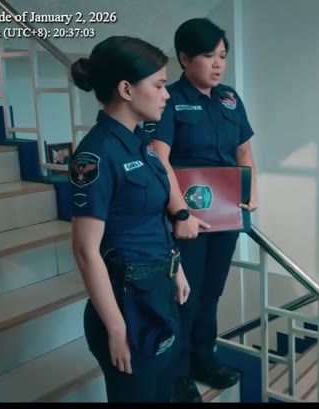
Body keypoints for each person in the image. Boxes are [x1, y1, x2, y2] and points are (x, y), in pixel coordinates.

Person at [69, 35, 190, 403]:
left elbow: (153, 215)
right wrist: (116, 328)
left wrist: (176, 267)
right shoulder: (96, 155)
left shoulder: (141, 142)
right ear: (126, 89)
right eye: (159, 85)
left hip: (157, 291)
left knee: (163, 392)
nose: (166, 95)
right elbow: (85, 250)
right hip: (128, 303)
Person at [144, 18, 257, 402]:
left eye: (222, 55)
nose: (218, 63)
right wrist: (180, 213)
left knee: (211, 293)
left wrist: (251, 192)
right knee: (184, 298)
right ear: (184, 57)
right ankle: (178, 373)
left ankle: (204, 358)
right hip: (187, 218)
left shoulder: (230, 99)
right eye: (209, 55)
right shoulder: (170, 99)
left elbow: (244, 152)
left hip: (226, 214)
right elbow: (160, 158)